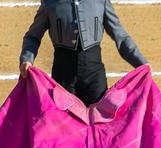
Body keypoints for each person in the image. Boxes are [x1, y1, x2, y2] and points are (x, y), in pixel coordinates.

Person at [19, 0, 148, 107]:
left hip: (94, 76)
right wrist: (27, 59)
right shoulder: (51, 3)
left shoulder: (100, 1)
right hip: (63, 75)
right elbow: (32, 37)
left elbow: (121, 37)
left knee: (98, 125)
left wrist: (141, 63)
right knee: (65, 128)